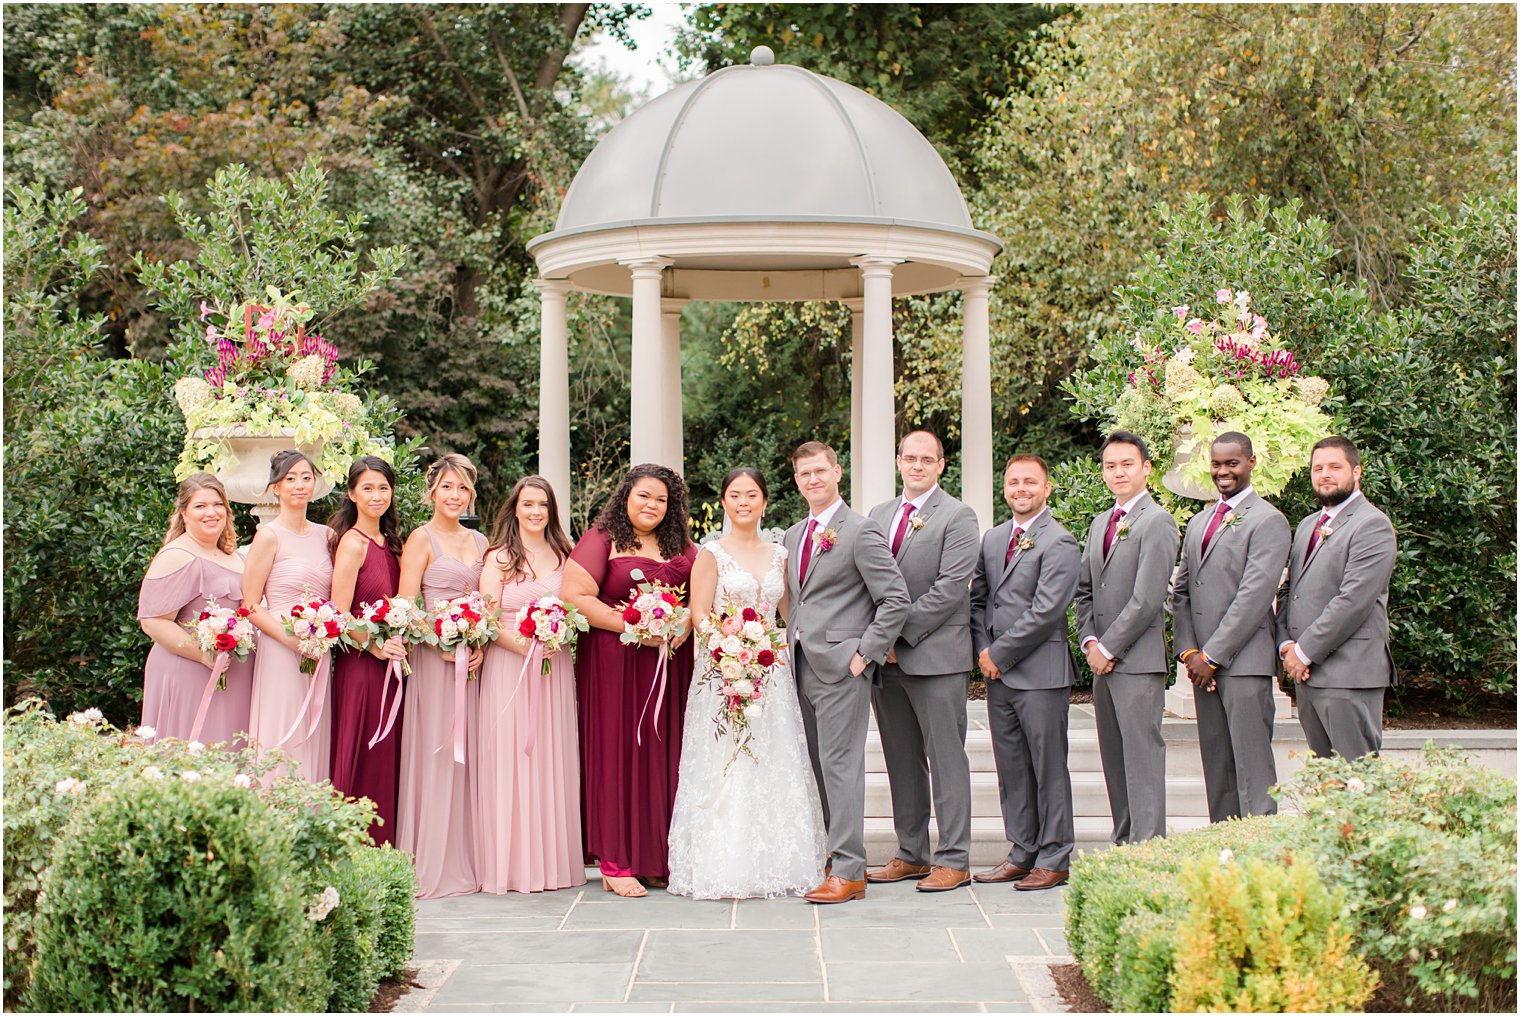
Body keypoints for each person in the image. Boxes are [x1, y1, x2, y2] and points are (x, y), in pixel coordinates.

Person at [667, 467, 826, 899]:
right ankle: (724, 862)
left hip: (772, 671)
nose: (743, 502)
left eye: (751, 494)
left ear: (765, 502)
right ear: (723, 502)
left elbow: (790, 615)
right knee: (727, 761)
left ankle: (778, 860)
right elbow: (699, 614)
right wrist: (730, 648)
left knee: (774, 756)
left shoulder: (781, 554)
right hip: (723, 671)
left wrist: (785, 653)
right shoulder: (711, 554)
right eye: (735, 494)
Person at [783, 440, 910, 905]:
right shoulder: (795, 534)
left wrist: (866, 653)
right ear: (796, 480)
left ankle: (850, 871)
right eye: (803, 474)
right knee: (817, 767)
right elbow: (799, 600)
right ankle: (832, 859)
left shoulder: (860, 530)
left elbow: (895, 598)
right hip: (800, 666)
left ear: (838, 472)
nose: (813, 479)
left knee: (841, 768)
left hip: (843, 668)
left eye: (820, 471)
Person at [562, 463, 697, 898]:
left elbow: (701, 594)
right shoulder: (602, 539)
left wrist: (684, 624)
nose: (652, 505)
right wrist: (632, 624)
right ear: (626, 496)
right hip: (614, 665)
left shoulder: (681, 545)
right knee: (617, 753)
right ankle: (615, 860)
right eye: (644, 495)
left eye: (661, 499)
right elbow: (575, 596)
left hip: (667, 665)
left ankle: (656, 858)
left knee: (663, 755)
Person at [863, 431, 979, 892]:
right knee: (900, 759)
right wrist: (876, 641)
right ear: (898, 461)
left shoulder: (958, 516)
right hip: (885, 661)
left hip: (934, 657)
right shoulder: (878, 516)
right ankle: (912, 853)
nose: (916, 466)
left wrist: (894, 634)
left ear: (941, 465)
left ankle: (954, 858)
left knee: (946, 757)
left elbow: (950, 589)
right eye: (909, 458)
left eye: (926, 460)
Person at [969, 455, 1081, 891]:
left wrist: (999, 652)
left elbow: (1047, 610)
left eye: (1030, 482)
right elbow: (978, 600)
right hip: (999, 677)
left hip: (1041, 675)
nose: (1021, 488)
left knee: (1048, 768)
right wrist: (983, 650)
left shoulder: (1060, 541)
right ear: (1004, 489)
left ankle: (1054, 858)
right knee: (1012, 768)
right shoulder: (994, 539)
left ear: (1046, 488)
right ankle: (1021, 852)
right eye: (1014, 481)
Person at [475, 476, 587, 894]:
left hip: (553, 669)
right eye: (528, 504)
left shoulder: (565, 554)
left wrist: (553, 641)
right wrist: (526, 649)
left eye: (543, 504)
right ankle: (511, 866)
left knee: (549, 756)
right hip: (509, 666)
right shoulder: (500, 558)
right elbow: (487, 618)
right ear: (515, 509)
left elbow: (577, 607)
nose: (536, 511)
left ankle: (552, 863)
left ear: (551, 510)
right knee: (511, 758)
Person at [1171, 432, 1291, 821]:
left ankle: (1259, 852)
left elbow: (1254, 598)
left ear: (1251, 463)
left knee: (1252, 769)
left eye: (1232, 463)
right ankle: (1223, 851)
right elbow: (1183, 590)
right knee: (1218, 769)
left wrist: (1213, 655)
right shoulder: (1199, 522)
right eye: (1217, 464)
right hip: (1202, 669)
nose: (1223, 471)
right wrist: (1190, 653)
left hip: (1245, 664)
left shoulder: (1269, 520)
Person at [1074, 431, 1179, 844]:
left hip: (1136, 663)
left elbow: (1148, 597)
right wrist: (1089, 643)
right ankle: (1124, 844)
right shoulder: (1102, 522)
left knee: (1142, 758)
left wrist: (1109, 647)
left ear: (1146, 468)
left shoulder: (1158, 521)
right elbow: (1084, 590)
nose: (1118, 473)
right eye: (1110, 466)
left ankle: (1148, 846)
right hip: (1102, 662)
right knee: (1114, 760)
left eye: (1126, 465)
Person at [396, 454, 488, 898]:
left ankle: (467, 858)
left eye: (463, 489)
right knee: (436, 750)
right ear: (432, 491)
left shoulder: (481, 541)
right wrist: (440, 642)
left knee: (468, 754)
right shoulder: (421, 538)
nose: (455, 496)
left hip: (469, 664)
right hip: (433, 662)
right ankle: (431, 861)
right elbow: (406, 603)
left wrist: (480, 646)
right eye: (447, 487)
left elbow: (489, 603)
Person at [1276, 436, 1398, 760]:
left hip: (1349, 675)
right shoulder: (1306, 526)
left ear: (1356, 472)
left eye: (1334, 466)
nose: (1325, 474)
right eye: (1318, 468)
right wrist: (1286, 645)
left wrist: (1303, 651)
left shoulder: (1372, 525)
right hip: (1308, 675)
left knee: (1358, 783)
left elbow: (1352, 601)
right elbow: (1289, 591)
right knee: (1327, 783)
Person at [137, 473, 254, 747]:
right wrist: (204, 654)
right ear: (184, 513)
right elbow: (152, 622)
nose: (211, 513)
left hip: (232, 674)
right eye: (200, 506)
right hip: (189, 670)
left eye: (218, 505)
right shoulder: (177, 555)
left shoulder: (233, 556)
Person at [328, 456, 408, 846]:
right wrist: (375, 648)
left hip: (392, 660)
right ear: (352, 494)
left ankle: (384, 843)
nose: (377, 495)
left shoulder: (394, 544)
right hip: (361, 666)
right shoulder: (353, 543)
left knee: (386, 752)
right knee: (362, 746)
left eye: (383, 488)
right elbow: (339, 613)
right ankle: (354, 843)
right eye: (368, 488)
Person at [244, 451, 335, 782]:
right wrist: (291, 640)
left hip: (319, 646)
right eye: (290, 479)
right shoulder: (268, 536)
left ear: (315, 485)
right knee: (282, 726)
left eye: (306, 478)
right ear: (275, 488)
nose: (299, 485)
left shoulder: (327, 536)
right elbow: (251, 604)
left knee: (315, 725)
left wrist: (322, 634)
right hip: (281, 647)